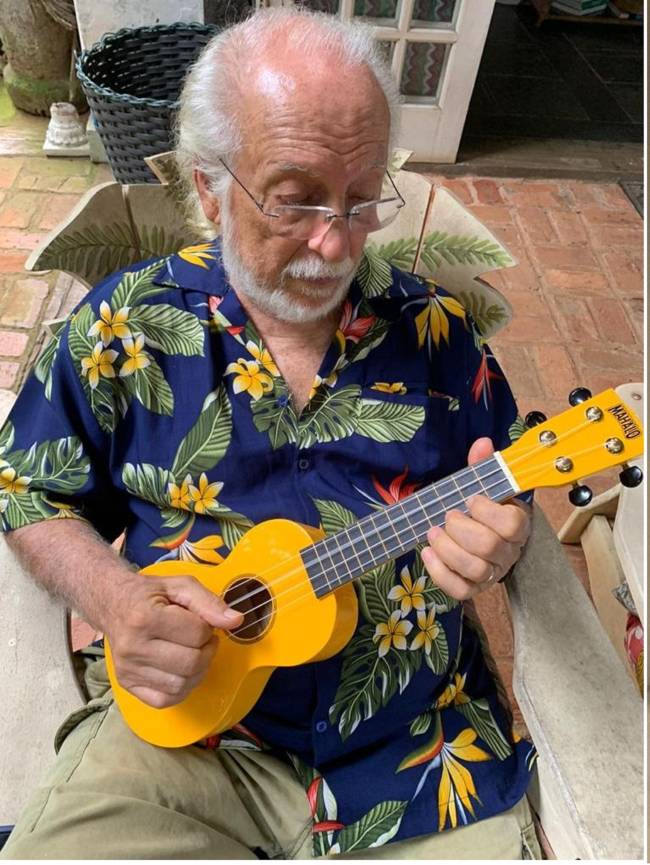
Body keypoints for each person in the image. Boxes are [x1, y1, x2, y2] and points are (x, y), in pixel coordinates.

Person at [0, 8, 540, 860]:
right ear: (209, 186)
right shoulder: (127, 326)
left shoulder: (440, 339)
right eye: (295, 201)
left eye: (363, 200)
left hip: (415, 753)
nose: (335, 242)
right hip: (181, 736)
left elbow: (512, 483)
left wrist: (501, 543)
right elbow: (27, 487)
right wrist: (113, 600)